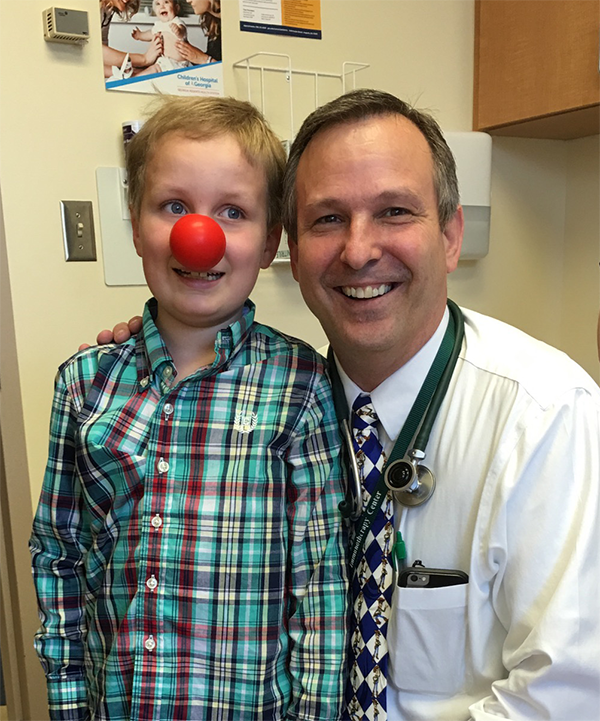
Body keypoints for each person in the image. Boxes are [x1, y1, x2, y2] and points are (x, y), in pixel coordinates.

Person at [93, 89, 600, 720]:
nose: (358, 251)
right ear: (293, 252)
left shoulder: (547, 415)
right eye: (328, 219)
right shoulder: (280, 407)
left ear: (449, 236)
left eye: (393, 212)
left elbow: (567, 695)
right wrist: (157, 352)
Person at [30, 96, 348, 721]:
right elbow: (59, 557)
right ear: (134, 223)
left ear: (269, 242)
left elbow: (322, 591)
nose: (196, 237)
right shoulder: (83, 385)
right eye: (174, 206)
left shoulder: (303, 386)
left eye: (232, 211)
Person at [101, 0, 162, 79]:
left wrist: (124, 72)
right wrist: (143, 59)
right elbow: (95, 50)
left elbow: (100, 60)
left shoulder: (107, 10)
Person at [131, 0, 192, 74]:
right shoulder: (158, 25)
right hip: (165, 62)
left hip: (179, 64)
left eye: (166, 2)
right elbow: (150, 34)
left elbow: (183, 32)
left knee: (154, 69)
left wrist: (178, 31)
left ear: (176, 8)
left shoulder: (176, 22)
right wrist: (140, 35)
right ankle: (136, 77)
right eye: (158, 4)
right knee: (153, 69)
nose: (162, 6)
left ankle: (136, 77)